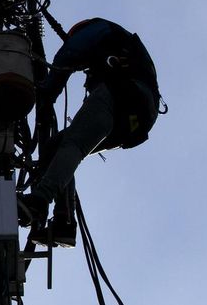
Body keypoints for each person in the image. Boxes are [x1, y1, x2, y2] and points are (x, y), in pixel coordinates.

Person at [20, 18, 163, 232]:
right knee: (59, 147)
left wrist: (48, 92)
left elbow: (69, 53)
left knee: (73, 145)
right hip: (135, 121)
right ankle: (63, 222)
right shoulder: (123, 50)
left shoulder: (100, 29)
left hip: (124, 95)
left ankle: (40, 201)